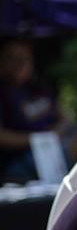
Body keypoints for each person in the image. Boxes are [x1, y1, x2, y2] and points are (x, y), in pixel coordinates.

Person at [0, 38, 66, 183]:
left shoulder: (38, 87)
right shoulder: (3, 92)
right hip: (22, 157)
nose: (20, 64)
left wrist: (56, 132)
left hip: (55, 142)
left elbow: (63, 117)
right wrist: (39, 139)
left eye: (25, 58)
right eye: (13, 58)